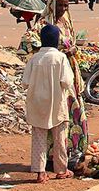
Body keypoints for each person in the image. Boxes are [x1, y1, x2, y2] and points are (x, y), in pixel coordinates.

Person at [34, 0, 89, 166]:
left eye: (66, 5)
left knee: (72, 109)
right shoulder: (43, 23)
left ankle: (71, 150)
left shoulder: (66, 21)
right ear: (52, 4)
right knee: (55, 111)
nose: (63, 8)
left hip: (69, 69)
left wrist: (73, 50)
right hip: (53, 72)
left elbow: (72, 42)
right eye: (60, 5)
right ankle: (51, 156)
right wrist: (55, 53)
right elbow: (31, 43)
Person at [23, 24, 75, 182]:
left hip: (37, 103)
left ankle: (40, 173)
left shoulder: (34, 58)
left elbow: (25, 82)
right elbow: (67, 81)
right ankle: (61, 170)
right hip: (56, 103)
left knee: (39, 138)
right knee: (59, 138)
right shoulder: (60, 58)